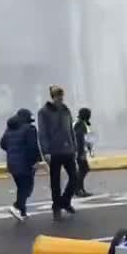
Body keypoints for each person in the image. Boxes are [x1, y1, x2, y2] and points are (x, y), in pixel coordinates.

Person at [38, 85, 78, 221]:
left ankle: (65, 202)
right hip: (54, 152)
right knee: (55, 182)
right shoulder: (44, 112)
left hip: (68, 150)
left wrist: (74, 147)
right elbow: (42, 133)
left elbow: (70, 130)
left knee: (75, 177)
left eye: (62, 96)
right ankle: (56, 207)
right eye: (58, 96)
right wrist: (46, 151)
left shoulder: (66, 110)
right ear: (53, 96)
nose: (60, 98)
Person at [0, 109, 41, 221]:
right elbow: (33, 146)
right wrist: (36, 160)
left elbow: (2, 144)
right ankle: (16, 206)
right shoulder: (30, 129)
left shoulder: (9, 128)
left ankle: (22, 212)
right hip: (25, 163)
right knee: (27, 188)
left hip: (12, 163)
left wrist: (12, 150)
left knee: (21, 187)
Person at [73, 107, 94, 198]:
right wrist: (81, 153)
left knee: (83, 169)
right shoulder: (80, 124)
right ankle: (78, 189)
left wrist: (89, 148)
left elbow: (86, 138)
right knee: (83, 169)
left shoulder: (81, 123)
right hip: (79, 151)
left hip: (79, 151)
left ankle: (80, 189)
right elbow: (80, 139)